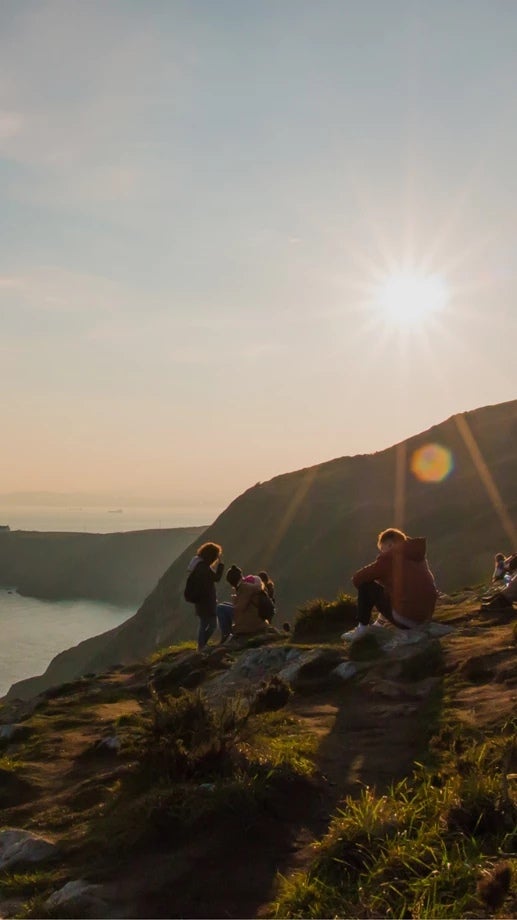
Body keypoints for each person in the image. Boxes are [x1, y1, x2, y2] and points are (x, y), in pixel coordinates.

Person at [342, 527, 438, 642]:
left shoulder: (389, 558)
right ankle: (379, 624)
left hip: (407, 619)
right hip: (425, 617)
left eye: (382, 549)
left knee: (366, 586)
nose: (382, 553)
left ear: (391, 545)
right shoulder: (417, 556)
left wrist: (379, 582)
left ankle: (362, 630)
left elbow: (357, 579)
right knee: (393, 591)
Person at [184, 542, 225, 651]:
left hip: (202, 601)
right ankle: (201, 647)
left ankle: (201, 646)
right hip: (206, 602)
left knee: (206, 624)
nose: (216, 559)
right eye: (216, 556)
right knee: (211, 625)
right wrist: (221, 566)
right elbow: (216, 578)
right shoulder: (203, 568)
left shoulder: (199, 565)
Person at [221, 564, 270, 638]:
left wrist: (235, 600)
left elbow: (240, 608)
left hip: (250, 623)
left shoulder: (244, 588)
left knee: (220, 608)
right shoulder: (252, 586)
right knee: (224, 605)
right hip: (258, 619)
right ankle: (227, 635)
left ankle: (226, 636)